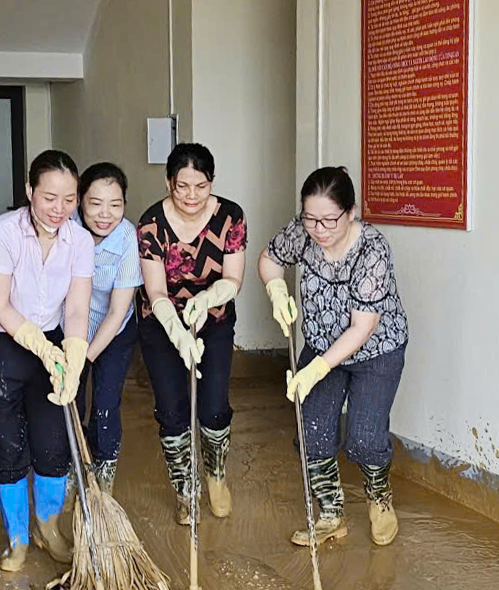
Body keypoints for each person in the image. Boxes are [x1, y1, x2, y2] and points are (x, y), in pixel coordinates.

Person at [259, 166, 408, 547]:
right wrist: (276, 288)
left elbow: (363, 328)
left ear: (351, 212)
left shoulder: (372, 249)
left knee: (365, 436)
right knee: (313, 430)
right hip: (321, 344)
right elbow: (270, 258)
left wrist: (316, 370)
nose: (319, 229)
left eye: (329, 220)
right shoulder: (302, 232)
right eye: (310, 219)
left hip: (375, 350)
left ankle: (379, 499)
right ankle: (329, 514)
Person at [0, 150, 94, 572]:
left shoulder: (79, 240)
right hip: (8, 345)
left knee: (53, 443)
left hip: (57, 344)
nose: (59, 209)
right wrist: (38, 345)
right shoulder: (1, 233)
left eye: (69, 199)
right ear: (29, 192)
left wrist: (73, 354)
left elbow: (78, 307)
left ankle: (49, 527)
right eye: (49, 198)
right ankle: (18, 537)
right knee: (7, 444)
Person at [138, 142, 246, 525]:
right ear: (169, 182)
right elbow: (154, 291)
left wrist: (210, 297)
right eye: (182, 186)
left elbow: (233, 277)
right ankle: (186, 491)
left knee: (214, 406)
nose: (191, 196)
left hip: (213, 321)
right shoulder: (151, 224)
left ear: (210, 183)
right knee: (172, 410)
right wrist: (175, 328)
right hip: (161, 325)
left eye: (200, 186)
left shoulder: (230, 216)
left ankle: (216, 476)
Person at [73, 162, 142, 493]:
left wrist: (85, 358)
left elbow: (117, 311)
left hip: (114, 329)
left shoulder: (128, 237)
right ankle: (72, 468)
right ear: (80, 201)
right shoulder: (67, 229)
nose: (105, 214)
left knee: (105, 402)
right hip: (70, 326)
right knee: (69, 399)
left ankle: (103, 482)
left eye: (115, 205)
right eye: (95, 203)